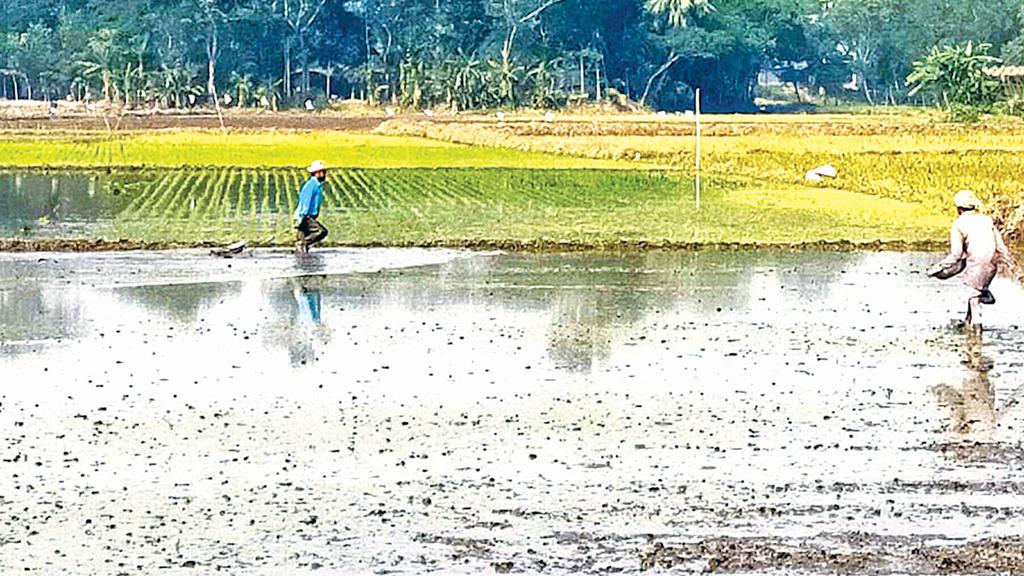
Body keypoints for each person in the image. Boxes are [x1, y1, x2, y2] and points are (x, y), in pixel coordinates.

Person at [929, 190, 1013, 326]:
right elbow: (1002, 248)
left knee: (975, 308)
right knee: (974, 292)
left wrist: (938, 267)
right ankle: (971, 314)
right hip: (992, 267)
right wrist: (1012, 266)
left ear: (959, 209)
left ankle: (975, 339)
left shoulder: (959, 224)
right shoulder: (987, 220)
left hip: (976, 267)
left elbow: (956, 255)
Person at [294, 160, 329, 252]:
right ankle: (302, 244)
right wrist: (304, 215)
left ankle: (303, 261)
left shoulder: (316, 185)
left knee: (302, 242)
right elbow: (306, 200)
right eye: (323, 172)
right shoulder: (311, 185)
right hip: (305, 216)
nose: (324, 174)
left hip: (306, 216)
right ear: (317, 173)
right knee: (321, 231)